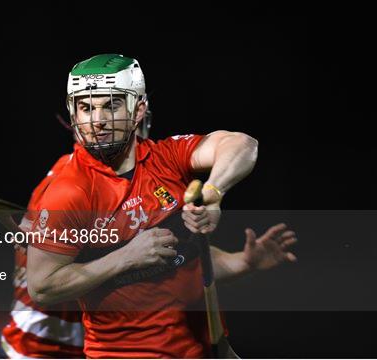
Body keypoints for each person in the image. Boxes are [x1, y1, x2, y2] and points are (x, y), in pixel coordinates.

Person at [23, 53, 294, 358]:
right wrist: (125, 257)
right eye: (86, 108)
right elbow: (43, 286)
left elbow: (242, 144)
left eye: (111, 105)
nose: (96, 121)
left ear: (138, 110)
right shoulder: (71, 191)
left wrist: (237, 250)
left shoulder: (167, 158)